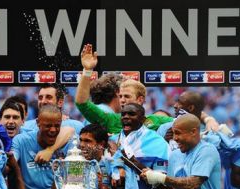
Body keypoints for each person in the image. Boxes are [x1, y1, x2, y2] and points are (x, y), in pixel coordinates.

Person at [75, 44, 219, 134]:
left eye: (127, 96)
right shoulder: (111, 120)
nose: (123, 100)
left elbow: (187, 117)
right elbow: (82, 103)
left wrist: (208, 119)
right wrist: (87, 71)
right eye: (121, 96)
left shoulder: (156, 121)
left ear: (140, 99)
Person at [79, 123, 124, 189]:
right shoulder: (75, 164)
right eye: (81, 140)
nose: (82, 145)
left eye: (87, 141)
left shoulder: (113, 167)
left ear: (101, 144)